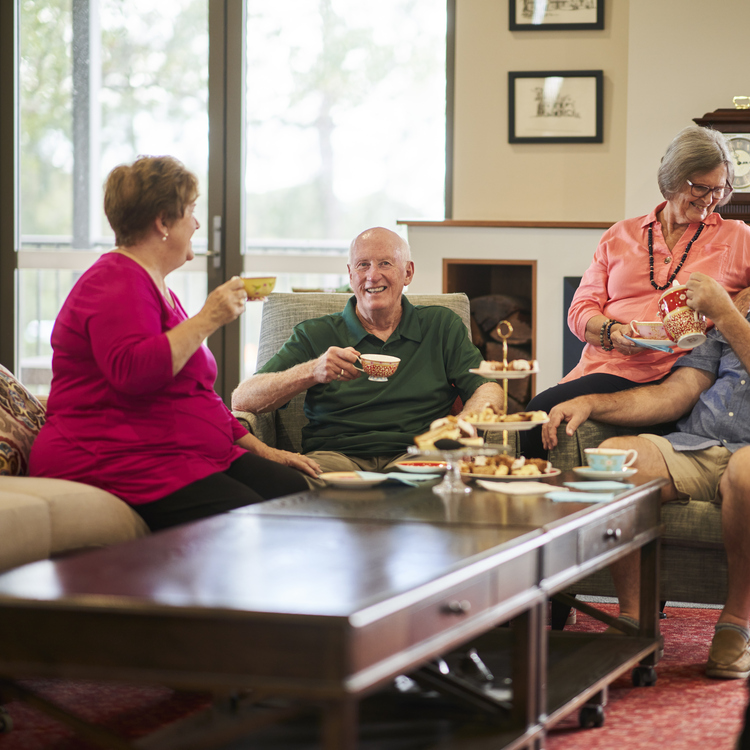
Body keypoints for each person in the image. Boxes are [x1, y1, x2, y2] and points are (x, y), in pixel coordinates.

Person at [29, 155, 317, 531]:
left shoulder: (156, 285)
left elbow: (195, 392)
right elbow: (133, 373)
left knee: (293, 490)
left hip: (173, 450)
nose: (197, 223)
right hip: (116, 454)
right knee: (248, 520)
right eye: (191, 211)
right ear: (163, 222)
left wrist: (264, 449)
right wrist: (208, 317)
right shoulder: (113, 282)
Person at [541, 273, 750, 679]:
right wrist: (589, 402)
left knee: (745, 473)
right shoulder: (740, 307)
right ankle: (634, 622)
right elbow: (679, 391)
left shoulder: (730, 311)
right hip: (699, 444)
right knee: (615, 459)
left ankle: (736, 625)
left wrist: (724, 312)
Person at [521, 125, 750, 459]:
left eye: (719, 190)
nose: (710, 200)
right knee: (538, 413)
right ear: (673, 179)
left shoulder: (736, 238)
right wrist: (614, 333)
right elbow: (580, 309)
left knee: (538, 411)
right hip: (602, 366)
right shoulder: (620, 235)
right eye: (701, 187)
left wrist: (739, 301)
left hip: (670, 374)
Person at [231, 226, 504, 480]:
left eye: (385, 263)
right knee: (298, 486)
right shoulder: (314, 334)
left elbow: (488, 387)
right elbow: (242, 399)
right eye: (363, 265)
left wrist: (463, 426)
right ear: (351, 275)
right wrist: (311, 371)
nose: (373, 275)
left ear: (408, 272)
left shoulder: (441, 325)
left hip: (416, 456)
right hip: (336, 458)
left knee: (445, 484)